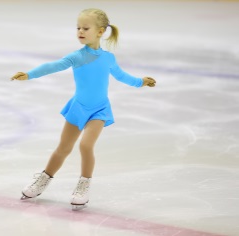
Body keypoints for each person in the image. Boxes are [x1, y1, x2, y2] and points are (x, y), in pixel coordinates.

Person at [11, 8, 156, 210]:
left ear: (100, 31)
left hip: (99, 110)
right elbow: (53, 66)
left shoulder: (108, 58)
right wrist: (29, 74)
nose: (80, 31)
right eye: (78, 27)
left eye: (85, 28)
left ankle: (83, 186)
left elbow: (122, 76)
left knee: (86, 146)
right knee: (63, 148)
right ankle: (43, 179)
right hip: (78, 108)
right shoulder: (77, 56)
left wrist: (141, 82)